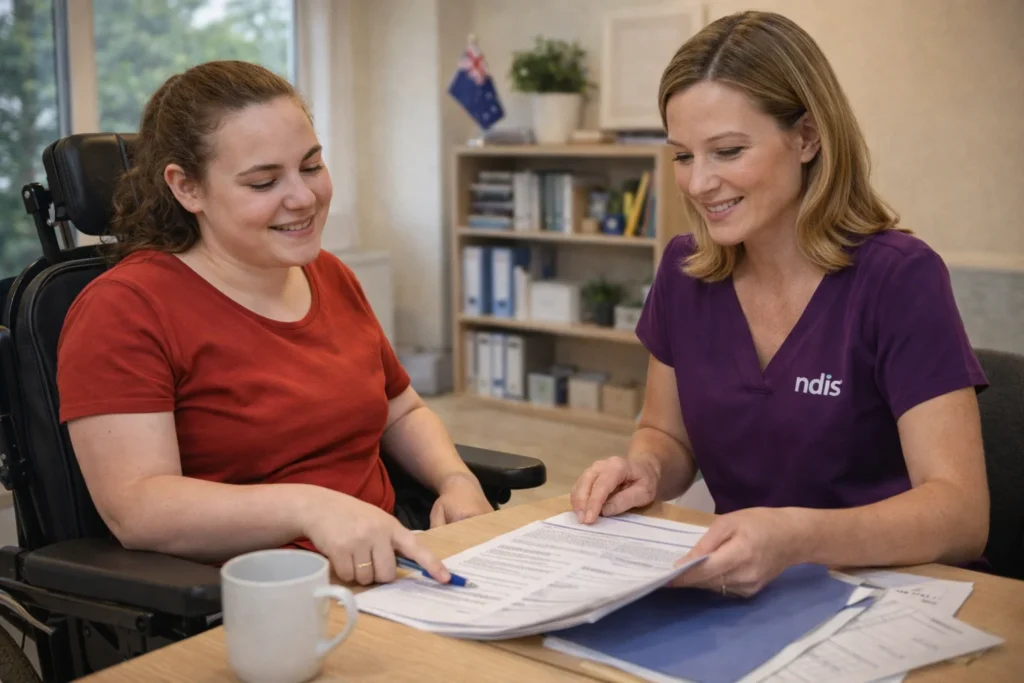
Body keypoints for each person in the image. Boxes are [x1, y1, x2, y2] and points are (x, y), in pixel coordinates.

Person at [571, 11, 990, 597]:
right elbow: (667, 436)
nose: (697, 183)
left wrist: (795, 537)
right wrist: (642, 470)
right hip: (739, 595)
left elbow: (962, 516)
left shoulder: (900, 279)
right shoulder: (684, 270)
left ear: (808, 137)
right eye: (684, 156)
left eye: (728, 151)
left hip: (889, 596)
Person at [56, 60, 494, 586]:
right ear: (187, 188)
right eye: (264, 181)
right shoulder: (125, 309)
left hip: (395, 569)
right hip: (255, 600)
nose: (304, 197)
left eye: (311, 167)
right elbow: (138, 510)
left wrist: (455, 479)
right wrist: (311, 508)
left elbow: (400, 410)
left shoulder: (328, 274)